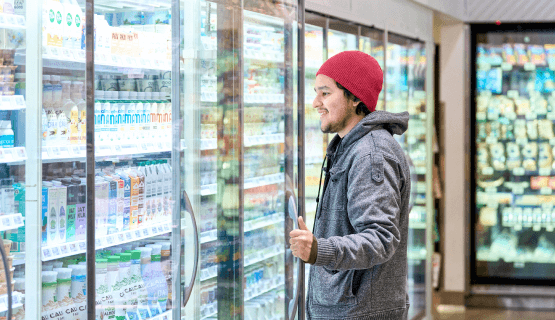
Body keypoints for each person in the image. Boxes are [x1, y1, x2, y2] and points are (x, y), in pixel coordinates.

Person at [289, 50, 411, 319]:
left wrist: (319, 250)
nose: (315, 102)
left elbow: (381, 238)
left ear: (355, 98)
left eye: (325, 93)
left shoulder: (370, 154)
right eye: (316, 92)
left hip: (360, 311)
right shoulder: (351, 147)